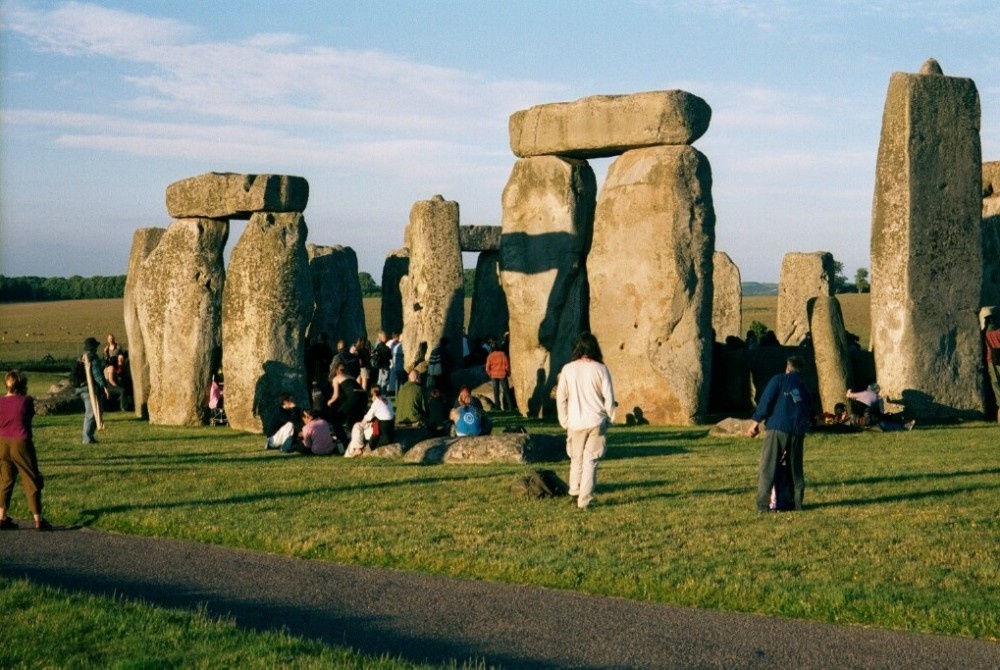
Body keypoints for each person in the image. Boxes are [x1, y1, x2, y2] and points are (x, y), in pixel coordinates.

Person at [556, 332, 616, 510]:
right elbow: (609, 398)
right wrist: (610, 417)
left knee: (576, 458)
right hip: (596, 420)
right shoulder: (601, 369)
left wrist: (564, 420)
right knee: (591, 460)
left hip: (575, 421)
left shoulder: (568, 369)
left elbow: (561, 397)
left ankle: (574, 492)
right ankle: (585, 499)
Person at [746, 355, 813, 512]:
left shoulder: (779, 379)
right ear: (801, 369)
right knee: (795, 468)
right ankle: (796, 503)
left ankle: (764, 504)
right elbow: (808, 409)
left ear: (787, 367)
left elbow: (766, 401)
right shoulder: (804, 387)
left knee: (768, 465)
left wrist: (755, 423)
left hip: (777, 427)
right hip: (797, 431)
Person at [0, 370, 51, 531]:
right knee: (30, 479)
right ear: (22, 384)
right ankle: (38, 519)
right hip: (21, 442)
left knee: (5, 480)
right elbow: (28, 417)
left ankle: (1, 516)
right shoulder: (26, 401)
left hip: (2, 442)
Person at [75, 337, 109, 444]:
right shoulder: (92, 357)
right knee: (91, 413)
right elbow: (97, 374)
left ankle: (90, 436)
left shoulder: (82, 357)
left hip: (81, 388)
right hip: (89, 389)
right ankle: (87, 438)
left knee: (93, 412)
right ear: (93, 347)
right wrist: (105, 387)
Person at [346, 387, 395, 457]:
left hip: (380, 431)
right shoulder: (388, 400)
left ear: (373, 394)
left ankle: (357, 449)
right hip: (389, 428)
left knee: (357, 426)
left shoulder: (377, 402)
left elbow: (367, 417)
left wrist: (362, 423)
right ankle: (354, 450)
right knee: (359, 428)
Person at [326, 362, 368, 446]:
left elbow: (335, 395)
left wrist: (329, 402)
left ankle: (343, 442)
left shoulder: (336, 378)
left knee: (336, 418)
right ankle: (358, 440)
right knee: (353, 418)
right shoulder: (351, 377)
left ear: (336, 370)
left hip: (354, 397)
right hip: (364, 397)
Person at [846, 383, 914, 431]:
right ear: (877, 391)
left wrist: (849, 391)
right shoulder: (879, 398)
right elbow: (882, 411)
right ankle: (904, 426)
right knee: (881, 422)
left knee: (875, 421)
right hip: (866, 418)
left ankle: (904, 425)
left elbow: (848, 395)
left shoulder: (864, 393)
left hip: (854, 417)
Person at [484, 340, 515, 412]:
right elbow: (507, 365)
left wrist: (490, 374)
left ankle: (497, 407)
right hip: (503, 374)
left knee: (496, 392)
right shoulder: (503, 354)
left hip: (494, 375)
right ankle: (510, 407)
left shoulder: (490, 356)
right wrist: (508, 373)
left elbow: (487, 368)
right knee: (506, 391)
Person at [983, 313, 1000, 422]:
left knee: (995, 384)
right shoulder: (999, 332)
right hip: (997, 361)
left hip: (991, 361)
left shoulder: (985, 333)